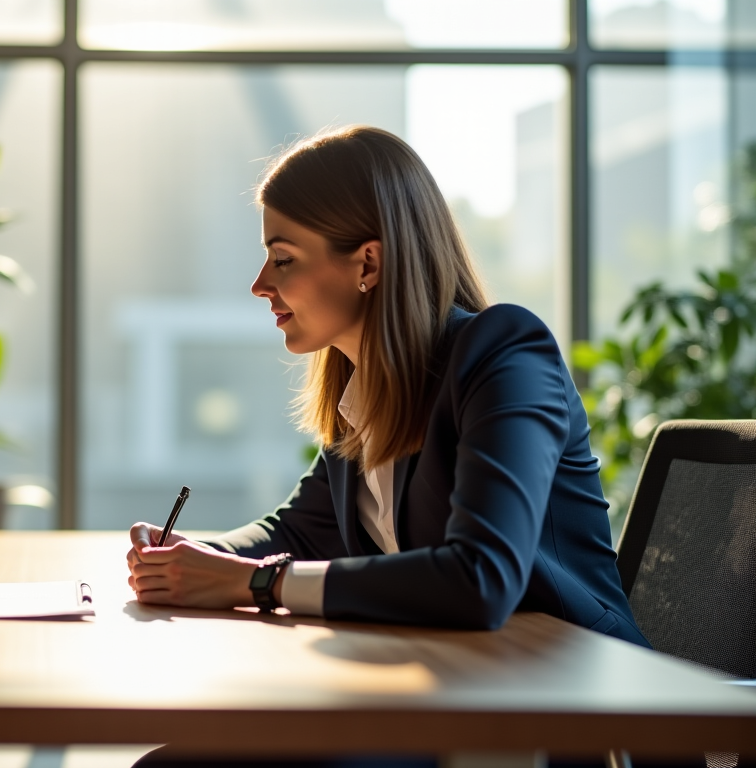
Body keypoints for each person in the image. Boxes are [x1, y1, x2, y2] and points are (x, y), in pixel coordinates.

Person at [127, 124, 646, 646]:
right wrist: (194, 560)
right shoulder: (363, 388)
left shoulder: (504, 354)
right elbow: (299, 532)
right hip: (467, 676)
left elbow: (480, 577)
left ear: (368, 263)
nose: (260, 284)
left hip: (584, 688)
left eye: (283, 258)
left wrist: (258, 582)